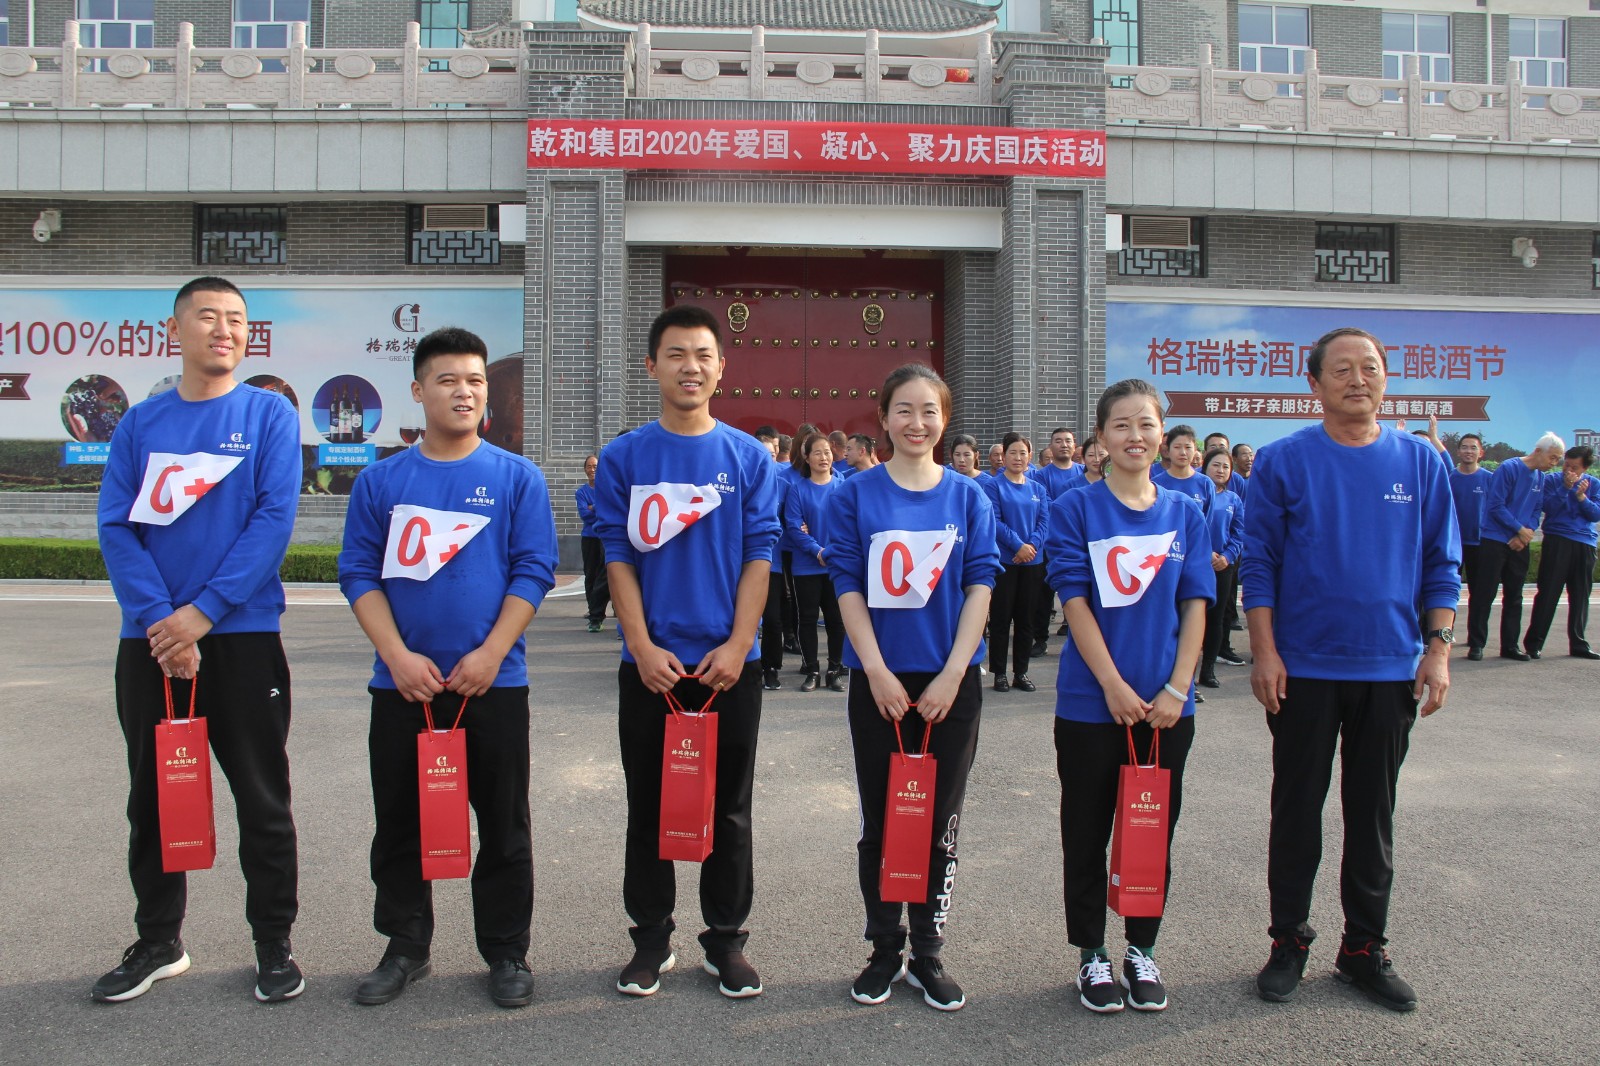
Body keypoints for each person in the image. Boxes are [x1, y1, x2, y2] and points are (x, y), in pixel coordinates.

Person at [94, 276, 304, 1004]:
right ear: (174, 330)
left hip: (242, 639)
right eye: (209, 316)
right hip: (150, 644)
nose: (224, 330)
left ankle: (273, 942)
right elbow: (116, 527)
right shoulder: (140, 424)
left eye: (237, 320)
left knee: (262, 796)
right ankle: (159, 941)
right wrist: (165, 622)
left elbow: (273, 521)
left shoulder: (269, 415)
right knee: (154, 795)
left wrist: (203, 615)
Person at [338, 326, 558, 1009]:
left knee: (504, 825)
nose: (465, 392)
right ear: (418, 390)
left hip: (494, 684)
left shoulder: (517, 477)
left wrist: (491, 654)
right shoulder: (381, 481)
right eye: (448, 380)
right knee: (400, 822)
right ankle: (406, 946)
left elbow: (534, 570)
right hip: (402, 687)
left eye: (475, 381)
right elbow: (358, 574)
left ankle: (507, 950)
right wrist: (397, 657)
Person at [1242, 326, 1460, 1013]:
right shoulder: (1283, 461)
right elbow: (1259, 563)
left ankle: (1364, 948)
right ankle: (1288, 941)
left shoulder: (1420, 462)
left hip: (1390, 668)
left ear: (1385, 378)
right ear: (1314, 384)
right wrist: (1265, 651)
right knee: (1296, 809)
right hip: (1303, 669)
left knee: (1373, 814)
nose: (1358, 379)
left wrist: (1437, 650)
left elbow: (1442, 564)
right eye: (1341, 369)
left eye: (1370, 367)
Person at [593, 304, 780, 1000]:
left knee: (730, 809)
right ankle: (651, 940)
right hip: (652, 668)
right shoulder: (625, 457)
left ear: (721, 368)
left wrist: (738, 644)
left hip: (729, 669)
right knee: (647, 805)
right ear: (652, 366)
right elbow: (617, 556)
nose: (690, 367)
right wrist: (639, 645)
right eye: (675, 354)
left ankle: (725, 941)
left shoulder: (748, 458)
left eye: (703, 355)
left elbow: (761, 553)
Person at [828, 364, 1001, 1011]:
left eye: (929, 410)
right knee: (881, 819)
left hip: (951, 684)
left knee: (940, 821)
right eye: (904, 409)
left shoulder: (969, 497)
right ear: (883, 417)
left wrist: (955, 674)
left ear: (945, 419)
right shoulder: (854, 495)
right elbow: (847, 584)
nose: (917, 422)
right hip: (879, 680)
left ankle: (928, 951)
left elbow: (981, 584)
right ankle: (883, 949)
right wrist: (874, 670)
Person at [1044, 378, 1213, 1015]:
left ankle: (1142, 947)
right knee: (1086, 830)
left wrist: (1177, 687)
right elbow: (1074, 600)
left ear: (1162, 435)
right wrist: (1112, 685)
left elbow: (1195, 606)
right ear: (1101, 437)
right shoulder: (1076, 509)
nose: (1135, 436)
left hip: (1168, 708)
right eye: (1121, 425)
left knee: (1151, 830)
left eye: (1146, 424)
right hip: (1091, 705)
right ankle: (1091, 952)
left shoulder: (1186, 513)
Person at [1466, 433, 1565, 661]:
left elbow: (1536, 509)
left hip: (1520, 544)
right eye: (1552, 457)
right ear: (1538, 451)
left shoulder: (1540, 477)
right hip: (1494, 540)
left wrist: (1525, 533)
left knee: (1514, 596)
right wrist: (1519, 529)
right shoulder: (1509, 468)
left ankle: (1510, 646)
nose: (1554, 463)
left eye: (1557, 459)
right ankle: (1476, 643)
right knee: (1484, 593)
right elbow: (1496, 505)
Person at [983, 433, 1050, 693]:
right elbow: (995, 521)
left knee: (1026, 619)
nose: (1018, 457)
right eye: (1013, 452)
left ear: (1030, 456)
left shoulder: (1038, 488)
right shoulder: (994, 486)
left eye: (1023, 453)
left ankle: (1021, 672)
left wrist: (1031, 546)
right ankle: (999, 673)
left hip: (1033, 562)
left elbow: (1044, 521)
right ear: (1004, 456)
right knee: (1001, 619)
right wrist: (1018, 546)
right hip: (1006, 561)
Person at [1524, 446, 1600, 660]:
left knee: (1580, 595)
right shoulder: (1551, 480)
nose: (1568, 470)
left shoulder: (1594, 484)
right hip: (1557, 540)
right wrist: (1565, 488)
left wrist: (1582, 497)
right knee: (1548, 593)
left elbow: (1595, 515)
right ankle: (1534, 644)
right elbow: (1548, 507)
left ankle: (1578, 644)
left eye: (1574, 467)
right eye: (1566, 464)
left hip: (1584, 543)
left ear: (1585, 468)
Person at [786, 431, 848, 692]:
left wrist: (829, 552)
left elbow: (848, 524)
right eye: (818, 453)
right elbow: (793, 526)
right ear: (807, 457)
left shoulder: (842, 487)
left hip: (836, 565)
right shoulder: (797, 489)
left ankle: (834, 669)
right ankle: (812, 669)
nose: (824, 457)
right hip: (806, 566)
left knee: (836, 619)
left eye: (827, 452)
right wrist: (817, 551)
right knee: (808, 619)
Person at [1028, 427, 1083, 658]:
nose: (1063, 445)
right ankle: (1040, 639)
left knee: (1079, 591)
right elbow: (1047, 506)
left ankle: (1079, 638)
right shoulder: (1041, 475)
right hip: (1050, 541)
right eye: (1058, 441)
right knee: (1044, 594)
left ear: (1074, 445)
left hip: (1079, 540)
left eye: (1068, 441)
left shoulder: (1083, 472)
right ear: (1051, 446)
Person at [1197, 448, 1245, 689]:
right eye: (1216, 465)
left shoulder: (1233, 499)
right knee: (1192, 617)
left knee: (1216, 619)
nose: (1221, 470)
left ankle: (1208, 670)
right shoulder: (1196, 495)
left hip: (1223, 566)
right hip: (1196, 564)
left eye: (1226, 467)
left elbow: (1239, 533)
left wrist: (1227, 556)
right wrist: (1205, 553)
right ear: (1205, 467)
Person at [1448, 433, 1492, 614]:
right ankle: (1445, 629)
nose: (1469, 451)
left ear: (1481, 453)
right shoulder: (1449, 477)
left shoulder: (1489, 478)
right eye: (1464, 447)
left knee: (1479, 593)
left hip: (1479, 543)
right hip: (1453, 543)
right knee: (1448, 590)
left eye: (1473, 448)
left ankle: (1476, 632)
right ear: (1458, 451)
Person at [577, 454, 611, 632]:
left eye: (595, 466)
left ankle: (608, 609)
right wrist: (598, 507)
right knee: (591, 573)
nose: (592, 470)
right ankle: (594, 612)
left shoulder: (606, 489)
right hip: (589, 537)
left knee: (606, 573)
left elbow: (606, 509)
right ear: (585, 469)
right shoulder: (581, 492)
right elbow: (585, 515)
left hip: (604, 536)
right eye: (589, 466)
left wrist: (593, 507)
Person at [1150, 425, 1210, 512]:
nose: (1183, 452)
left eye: (1188, 447)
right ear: (1168, 449)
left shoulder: (1205, 483)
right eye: (1177, 447)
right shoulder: (1156, 484)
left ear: (1195, 449)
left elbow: (1208, 518)